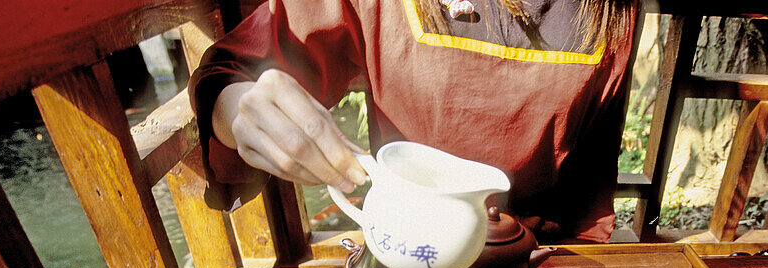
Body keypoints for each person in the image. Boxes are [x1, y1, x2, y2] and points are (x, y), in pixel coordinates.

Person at [190, 0, 640, 241]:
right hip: (410, 254)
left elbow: (589, 181)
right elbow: (234, 69)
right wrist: (240, 107)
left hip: (538, 257)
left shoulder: (610, 9)